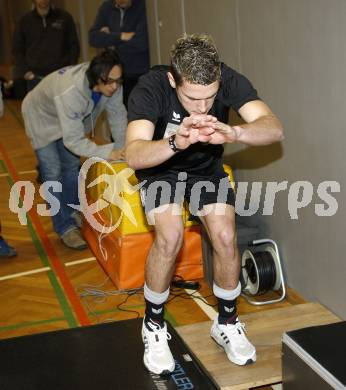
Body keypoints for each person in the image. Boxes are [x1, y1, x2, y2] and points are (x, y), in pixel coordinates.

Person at [125, 34, 284, 374]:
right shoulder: (151, 87)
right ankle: (153, 325)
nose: (202, 107)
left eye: (210, 97)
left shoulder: (228, 78)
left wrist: (236, 133)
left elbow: (274, 129)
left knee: (226, 236)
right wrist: (174, 142)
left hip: (204, 171)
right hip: (159, 168)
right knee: (169, 236)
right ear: (173, 80)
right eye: (192, 98)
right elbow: (134, 154)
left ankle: (226, 322)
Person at [22, 49, 127, 250]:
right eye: (111, 81)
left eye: (119, 80)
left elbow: (117, 115)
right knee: (52, 172)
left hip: (66, 118)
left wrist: (123, 150)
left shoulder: (112, 81)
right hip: (41, 118)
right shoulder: (70, 91)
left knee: (71, 167)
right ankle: (64, 227)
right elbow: (74, 141)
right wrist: (108, 152)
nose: (115, 86)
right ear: (97, 79)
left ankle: (71, 212)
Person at [89, 0, 150, 107]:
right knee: (117, 112)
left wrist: (110, 42)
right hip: (113, 74)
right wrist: (121, 36)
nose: (120, 1)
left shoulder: (143, 6)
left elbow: (141, 43)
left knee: (137, 114)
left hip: (138, 74)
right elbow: (93, 38)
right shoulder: (107, 6)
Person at [12, 0, 80, 94]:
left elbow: (74, 45)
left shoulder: (65, 17)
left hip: (61, 75)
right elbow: (17, 49)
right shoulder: (24, 21)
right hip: (35, 78)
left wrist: (71, 67)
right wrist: (25, 71)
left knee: (63, 108)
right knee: (37, 108)